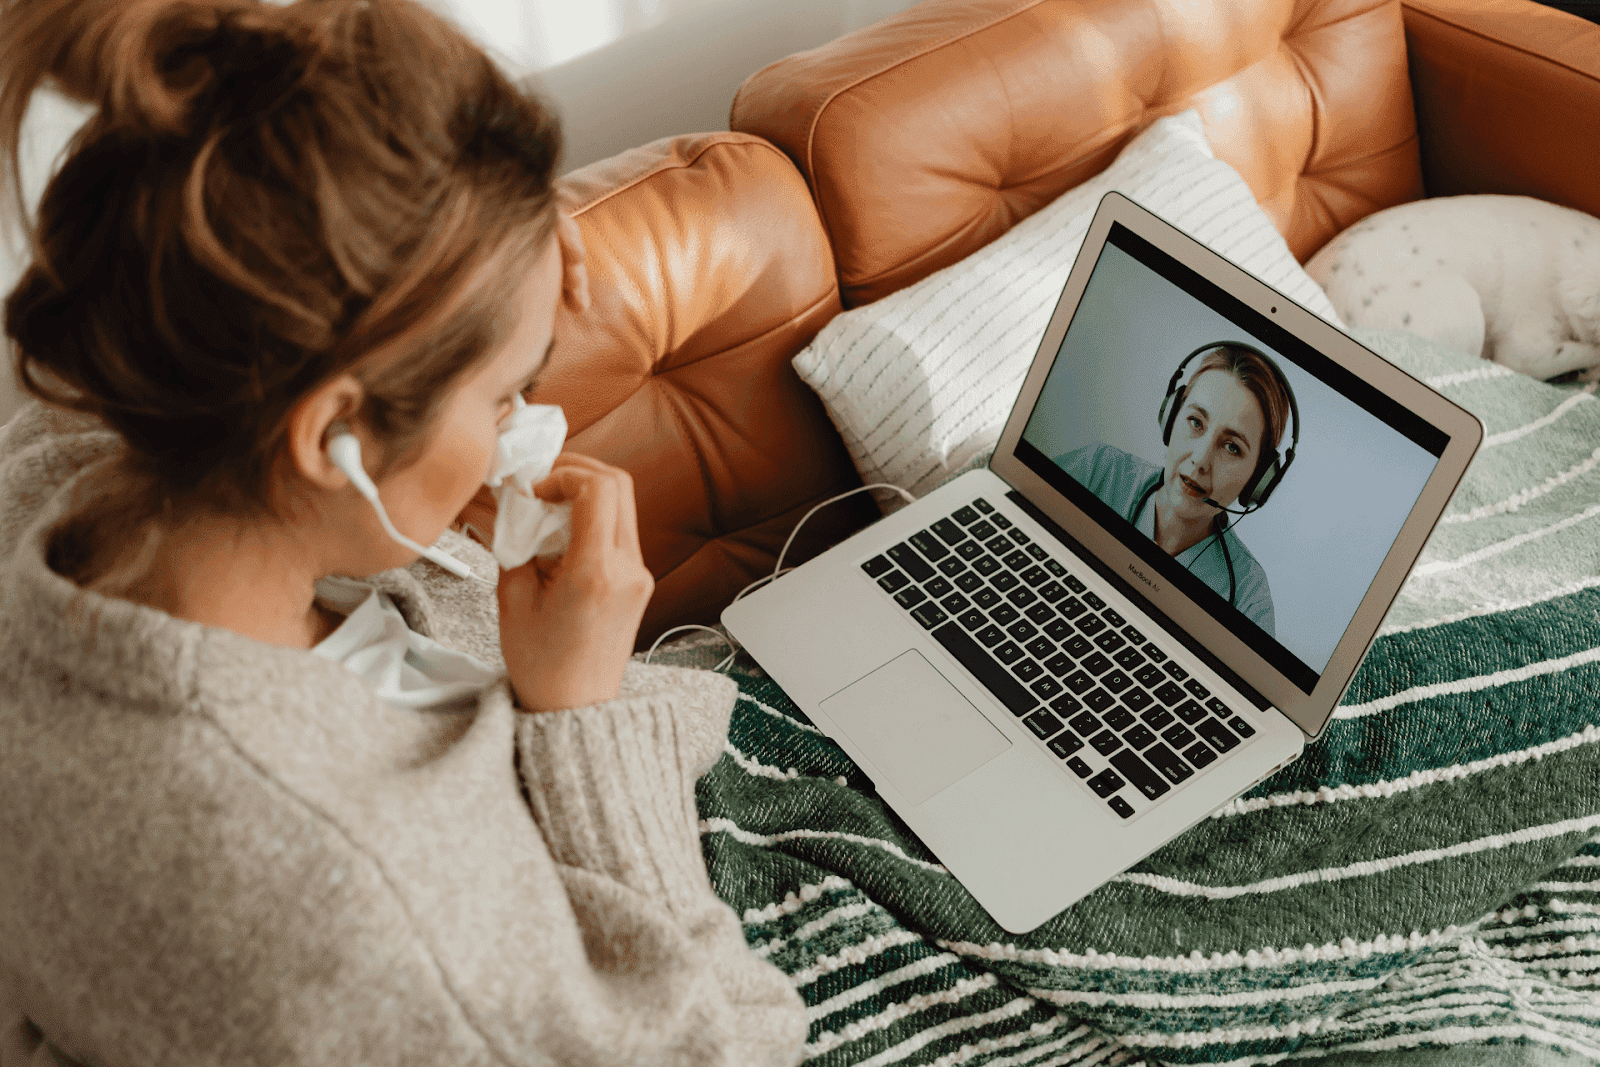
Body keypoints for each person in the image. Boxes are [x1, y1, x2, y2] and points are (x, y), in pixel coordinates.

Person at [0, 1, 807, 1064]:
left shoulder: (65, 462)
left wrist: (500, 245)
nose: (521, 430)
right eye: (508, 392)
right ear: (332, 431)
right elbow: (730, 1049)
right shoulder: (369, 900)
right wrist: (582, 715)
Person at [1053, 343, 1296, 635]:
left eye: (1232, 447)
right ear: (1171, 416)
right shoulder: (1097, 471)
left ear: (1258, 480)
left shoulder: (1248, 596)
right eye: (1195, 422)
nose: (1201, 459)